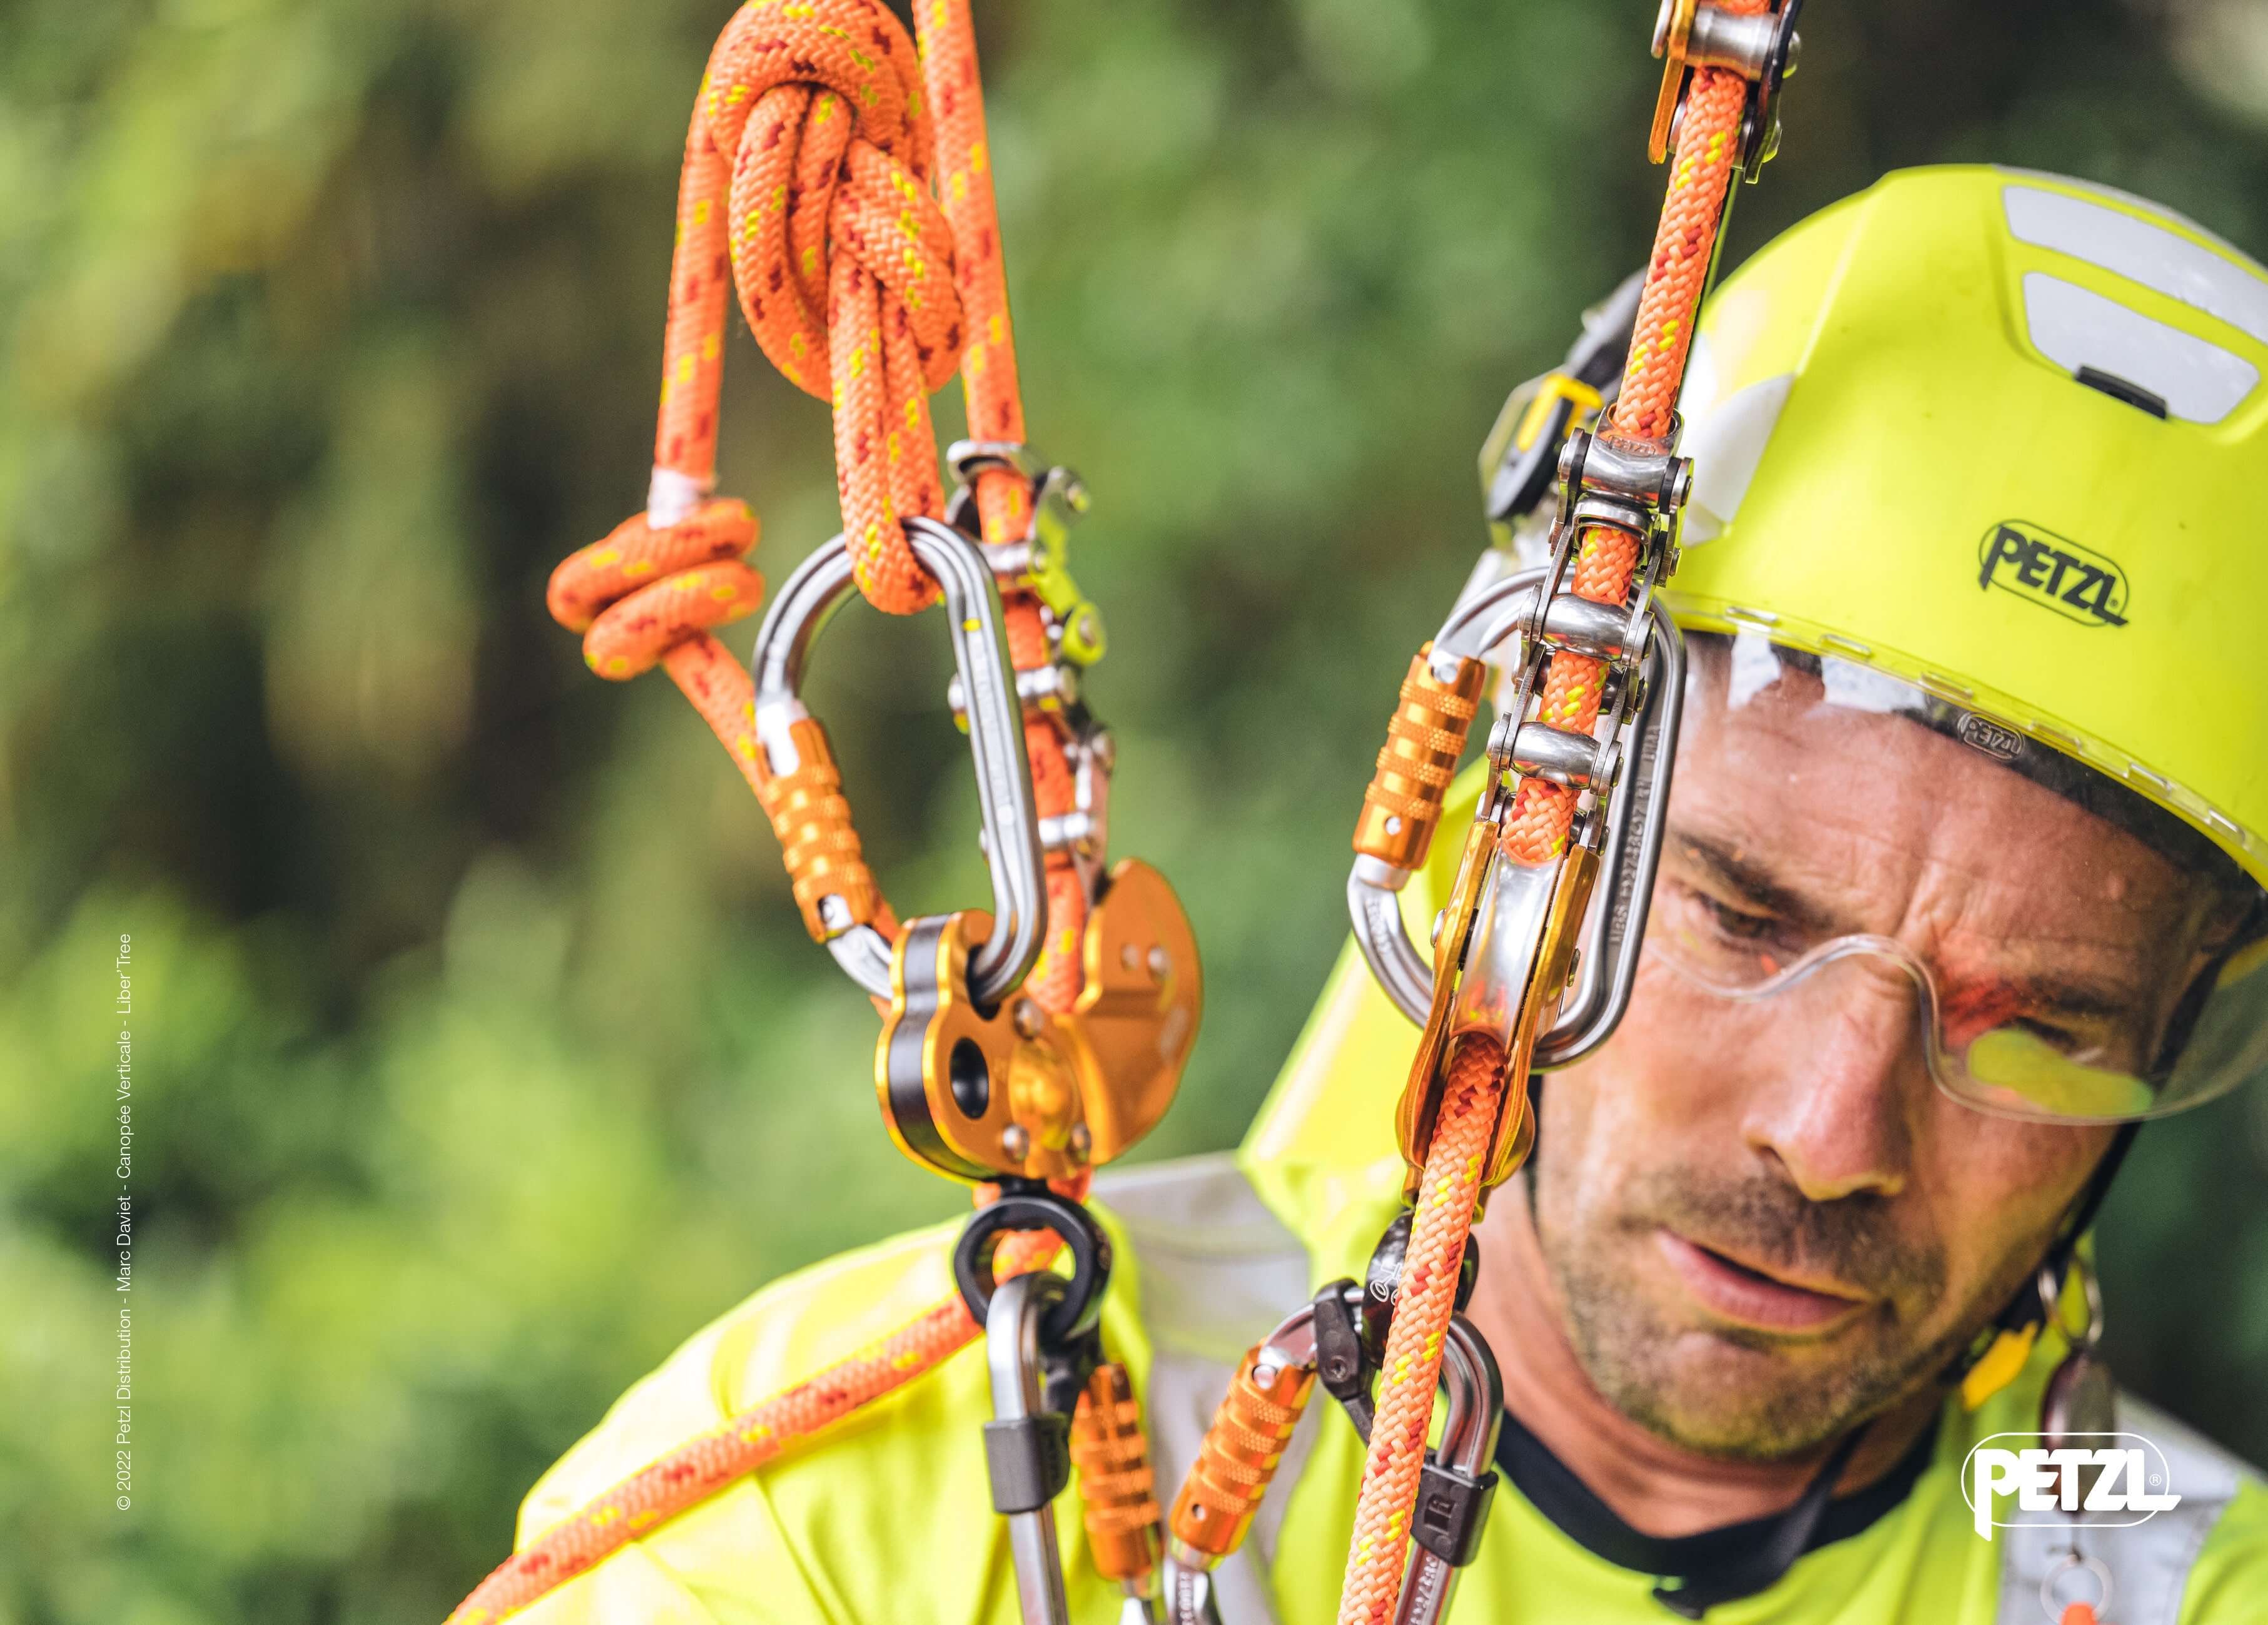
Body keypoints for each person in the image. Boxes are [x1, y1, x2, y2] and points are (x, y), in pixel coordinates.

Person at [492, 167, 2268, 1623]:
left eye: (2040, 1025)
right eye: (1739, 917)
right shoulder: (910, 1457)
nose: (1829, 1134)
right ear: (1519, 834)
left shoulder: (2161, 1563)